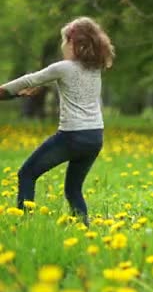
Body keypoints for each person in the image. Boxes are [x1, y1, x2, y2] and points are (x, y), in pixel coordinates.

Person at [0, 17, 114, 227]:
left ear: (73, 43)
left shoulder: (64, 67)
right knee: (73, 190)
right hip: (94, 137)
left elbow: (27, 81)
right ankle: (83, 228)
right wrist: (26, 92)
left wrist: (6, 92)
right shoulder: (94, 68)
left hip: (73, 136)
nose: (63, 46)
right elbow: (71, 88)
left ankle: (24, 225)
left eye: (64, 41)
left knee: (26, 174)